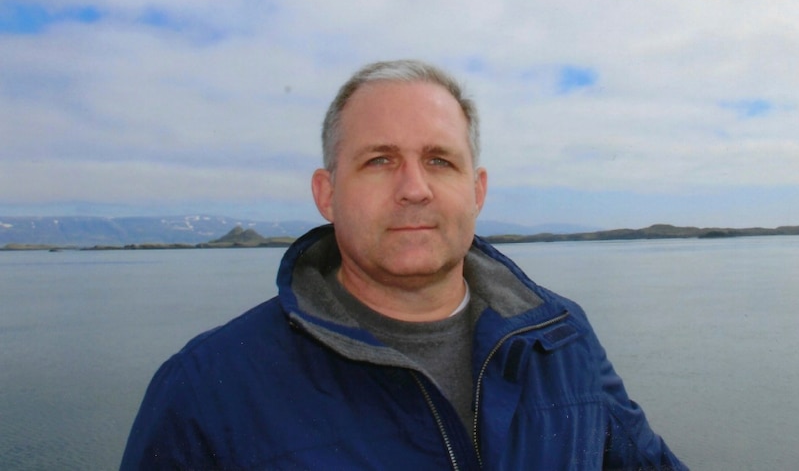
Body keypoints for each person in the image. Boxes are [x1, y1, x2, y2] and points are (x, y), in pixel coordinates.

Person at [121, 59, 687, 470]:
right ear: (327, 192)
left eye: (439, 160)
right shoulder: (208, 388)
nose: (414, 189)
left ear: (477, 189)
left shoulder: (561, 341)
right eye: (380, 160)